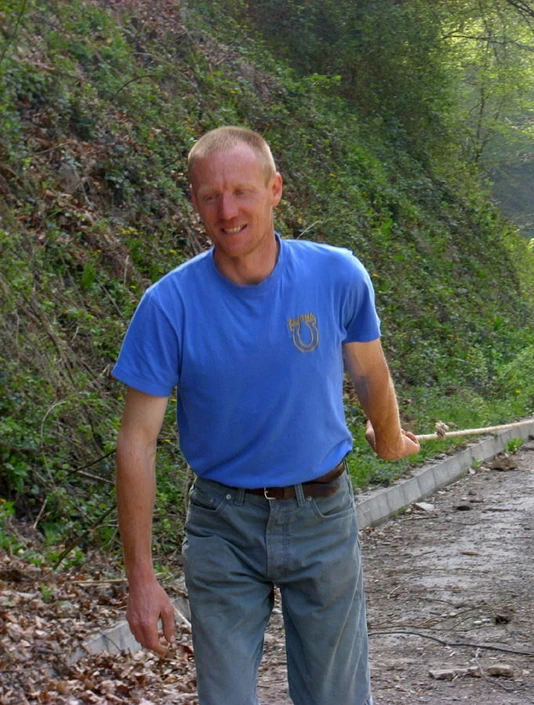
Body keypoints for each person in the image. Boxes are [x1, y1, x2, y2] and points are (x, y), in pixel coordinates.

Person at [112, 125, 420, 705]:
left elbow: (368, 372)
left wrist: (387, 436)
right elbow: (137, 443)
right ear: (195, 202)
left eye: (241, 192)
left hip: (322, 517)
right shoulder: (167, 306)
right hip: (221, 525)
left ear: (275, 189)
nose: (227, 211)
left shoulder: (337, 275)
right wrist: (142, 580)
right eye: (210, 196)